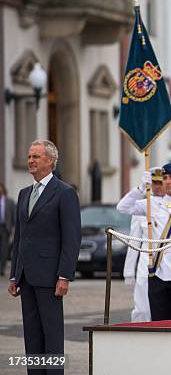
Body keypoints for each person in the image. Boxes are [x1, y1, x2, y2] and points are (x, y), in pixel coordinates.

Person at [8, 139, 81, 375]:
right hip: (26, 276)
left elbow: (71, 238)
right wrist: (13, 275)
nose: (30, 161)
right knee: (32, 336)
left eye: (36, 157)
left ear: (50, 161)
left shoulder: (65, 193)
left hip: (50, 277)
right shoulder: (23, 194)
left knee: (52, 336)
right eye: (29, 156)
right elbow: (20, 237)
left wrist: (64, 276)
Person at [117, 162, 171, 321]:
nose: (168, 181)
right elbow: (123, 207)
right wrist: (141, 188)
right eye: (164, 178)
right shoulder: (151, 205)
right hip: (157, 272)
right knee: (158, 321)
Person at [123, 167, 165, 322]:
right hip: (145, 263)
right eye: (154, 183)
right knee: (142, 308)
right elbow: (134, 241)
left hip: (168, 264)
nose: (158, 186)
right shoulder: (142, 206)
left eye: (160, 183)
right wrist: (128, 271)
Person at [0, 182, 16, 277]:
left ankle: (2, 268)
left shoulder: (9, 201)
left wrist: (14, 228)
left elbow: (13, 216)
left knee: (4, 249)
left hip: (5, 228)